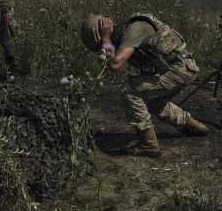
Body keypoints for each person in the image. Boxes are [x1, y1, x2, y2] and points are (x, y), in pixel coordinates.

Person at [80, 12, 209, 158]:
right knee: (155, 105)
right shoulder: (125, 34)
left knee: (129, 90)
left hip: (179, 69)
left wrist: (105, 38)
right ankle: (195, 127)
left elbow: (115, 65)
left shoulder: (132, 30)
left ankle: (148, 145)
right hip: (180, 69)